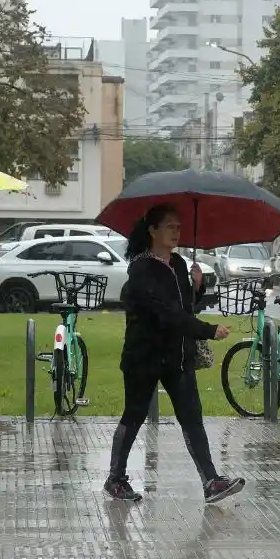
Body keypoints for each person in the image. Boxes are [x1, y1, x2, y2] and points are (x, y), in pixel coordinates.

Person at [106, 203, 245, 504]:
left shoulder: (180, 264)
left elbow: (184, 308)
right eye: (169, 226)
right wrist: (207, 330)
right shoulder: (141, 269)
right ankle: (115, 478)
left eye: (179, 227)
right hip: (144, 357)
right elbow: (165, 313)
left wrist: (196, 286)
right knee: (135, 414)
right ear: (152, 230)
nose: (176, 232)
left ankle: (211, 482)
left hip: (177, 356)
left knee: (192, 417)